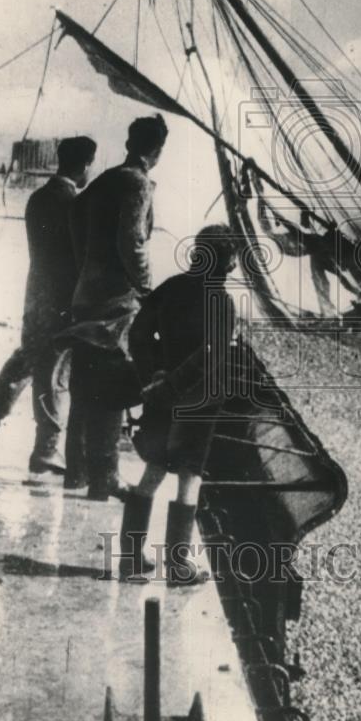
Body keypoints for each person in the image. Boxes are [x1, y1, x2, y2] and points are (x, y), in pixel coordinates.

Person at [119, 223, 239, 586]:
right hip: (198, 403)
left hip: (160, 397)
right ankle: (178, 567)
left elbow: (138, 333)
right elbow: (210, 356)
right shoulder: (222, 301)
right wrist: (174, 385)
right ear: (228, 262)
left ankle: (129, 561)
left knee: (153, 471)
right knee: (190, 477)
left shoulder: (171, 288)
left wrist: (154, 374)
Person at [0, 136, 97, 473]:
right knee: (53, 372)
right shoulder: (76, 204)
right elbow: (78, 257)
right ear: (85, 165)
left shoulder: (38, 198)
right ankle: (46, 449)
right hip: (62, 299)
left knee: (25, 360)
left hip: (36, 292)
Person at [62, 114, 169, 499]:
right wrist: (147, 290)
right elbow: (132, 243)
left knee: (84, 384)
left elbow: (74, 216)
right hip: (115, 302)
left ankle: (75, 471)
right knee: (108, 386)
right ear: (156, 150)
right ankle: (104, 476)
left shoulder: (105, 179)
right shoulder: (137, 183)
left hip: (86, 293)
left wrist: (86, 263)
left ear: (129, 142)